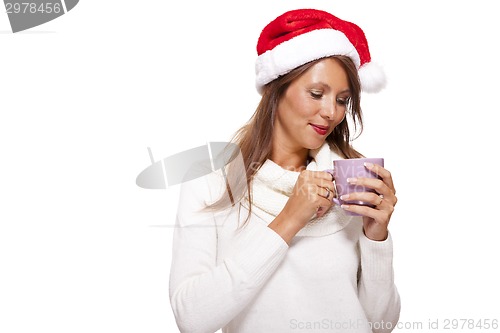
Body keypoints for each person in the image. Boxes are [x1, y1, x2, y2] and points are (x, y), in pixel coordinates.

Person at [169, 8, 400, 333]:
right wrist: (290, 219)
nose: (331, 113)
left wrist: (376, 237)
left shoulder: (350, 178)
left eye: (342, 100)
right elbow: (191, 318)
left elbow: (381, 323)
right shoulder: (214, 181)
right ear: (277, 89)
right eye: (317, 94)